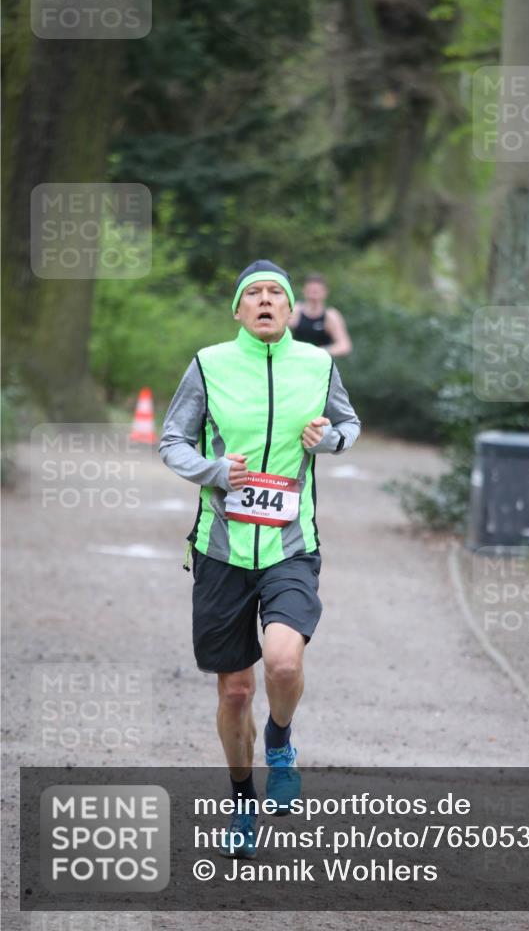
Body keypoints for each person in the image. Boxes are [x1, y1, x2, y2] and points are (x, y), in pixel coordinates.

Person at [159, 260, 360, 859]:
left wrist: (326, 439)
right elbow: (172, 440)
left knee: (282, 664)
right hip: (221, 549)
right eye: (255, 294)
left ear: (291, 308)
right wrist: (214, 470)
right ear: (240, 311)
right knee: (235, 693)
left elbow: (349, 427)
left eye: (277, 293)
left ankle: (280, 740)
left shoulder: (318, 364)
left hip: (290, 545)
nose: (267, 301)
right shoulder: (209, 364)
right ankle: (243, 798)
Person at [289, 272, 353, 357]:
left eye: (316, 291)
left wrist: (317, 351)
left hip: (321, 364)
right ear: (304, 291)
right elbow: (279, 336)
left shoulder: (331, 316)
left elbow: (344, 346)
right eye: (310, 291)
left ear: (325, 292)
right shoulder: (295, 311)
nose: (313, 295)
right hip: (297, 361)